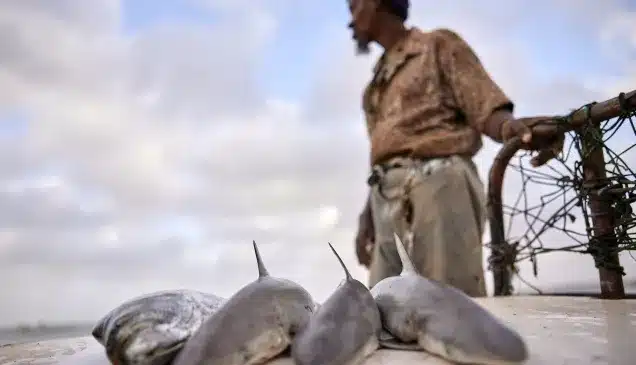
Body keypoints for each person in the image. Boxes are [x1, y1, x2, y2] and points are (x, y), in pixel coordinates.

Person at [349, 0, 565, 296]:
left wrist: (509, 128)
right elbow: (382, 155)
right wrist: (368, 216)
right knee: (384, 311)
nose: (351, 21)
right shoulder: (373, 88)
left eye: (353, 6)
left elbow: (484, 106)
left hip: (439, 189)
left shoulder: (436, 45)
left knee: (449, 307)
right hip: (384, 199)